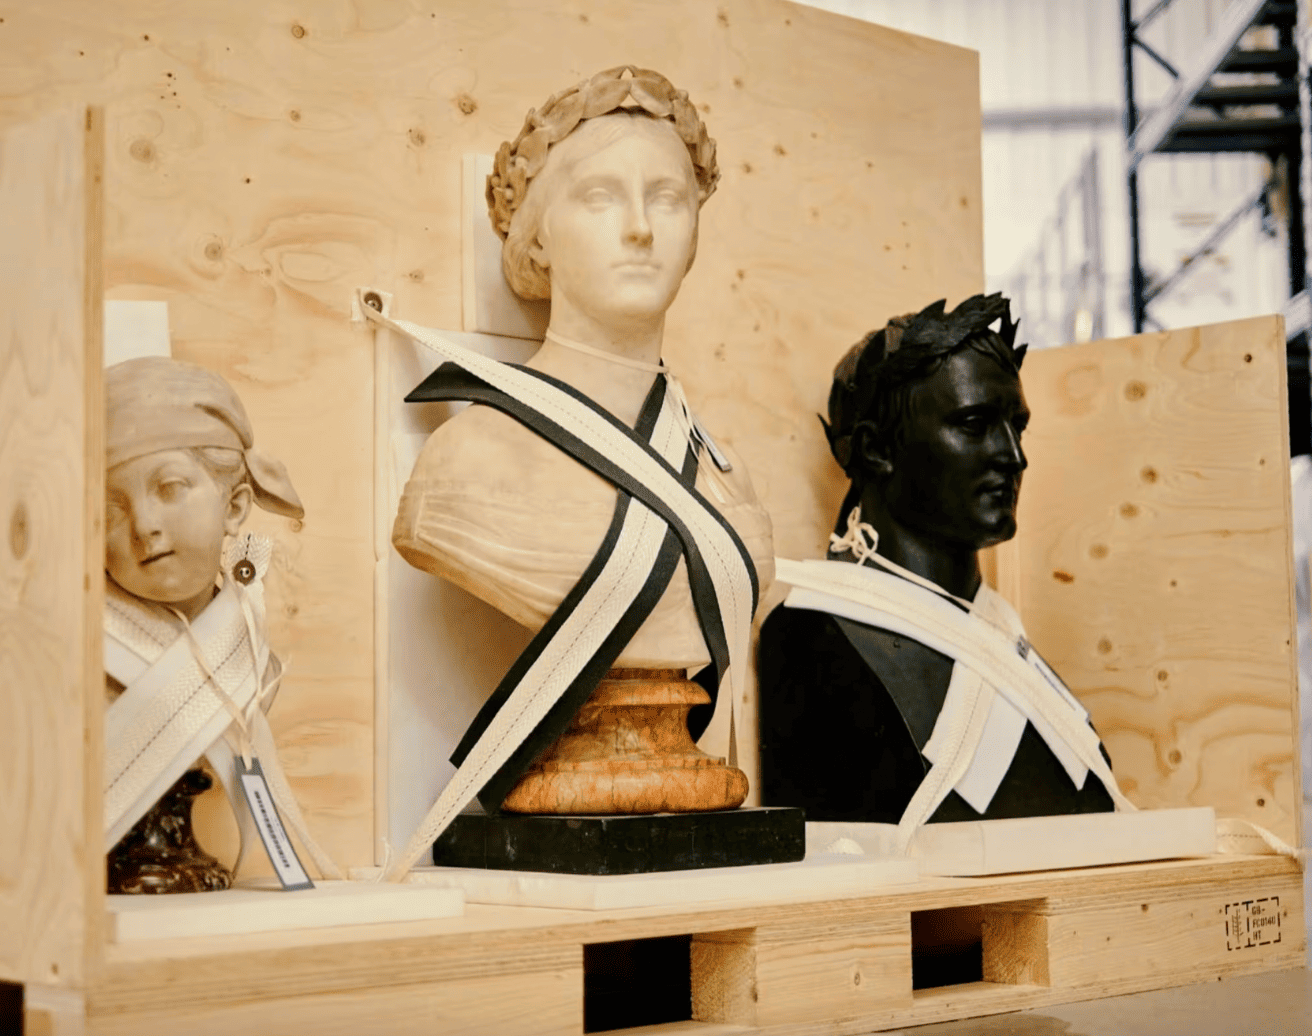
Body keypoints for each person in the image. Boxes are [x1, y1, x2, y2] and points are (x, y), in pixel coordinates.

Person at [380, 67, 773, 876]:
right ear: (536, 239)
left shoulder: (728, 480)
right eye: (599, 197)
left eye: (667, 198)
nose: (640, 228)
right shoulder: (473, 462)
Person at [759, 294, 1131, 839]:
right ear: (877, 449)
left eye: (1017, 427)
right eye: (975, 424)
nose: (1014, 455)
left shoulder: (1006, 637)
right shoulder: (817, 634)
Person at [103, 357, 338, 892]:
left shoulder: (248, 643)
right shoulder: (82, 653)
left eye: (169, 487)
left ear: (234, 507)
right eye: (112, 510)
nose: (144, 525)